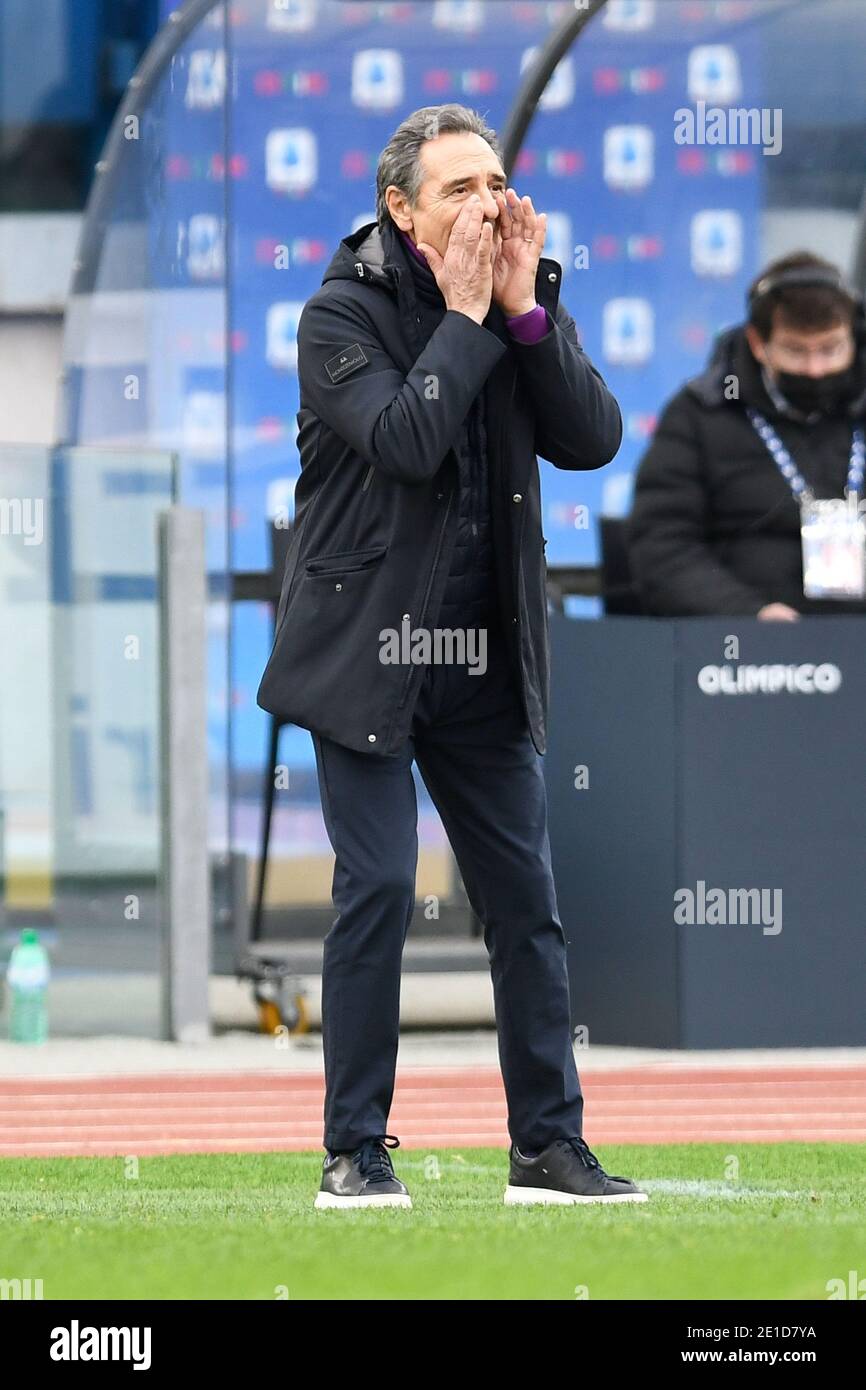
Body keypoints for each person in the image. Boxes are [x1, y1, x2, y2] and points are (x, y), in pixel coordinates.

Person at [257, 103, 646, 1209]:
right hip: (365, 650)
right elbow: (406, 441)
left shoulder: (517, 299)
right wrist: (472, 315)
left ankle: (546, 1144)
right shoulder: (338, 313)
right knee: (375, 886)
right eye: (457, 190)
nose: (485, 203)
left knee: (525, 900)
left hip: (480, 653)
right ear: (401, 210)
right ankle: (355, 1148)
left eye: (493, 182)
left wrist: (522, 313)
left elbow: (591, 437)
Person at [628, 252, 866, 617]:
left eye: (831, 349)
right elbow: (662, 547)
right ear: (758, 343)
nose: (816, 369)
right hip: (745, 654)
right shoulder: (700, 414)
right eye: (796, 351)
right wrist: (748, 614)